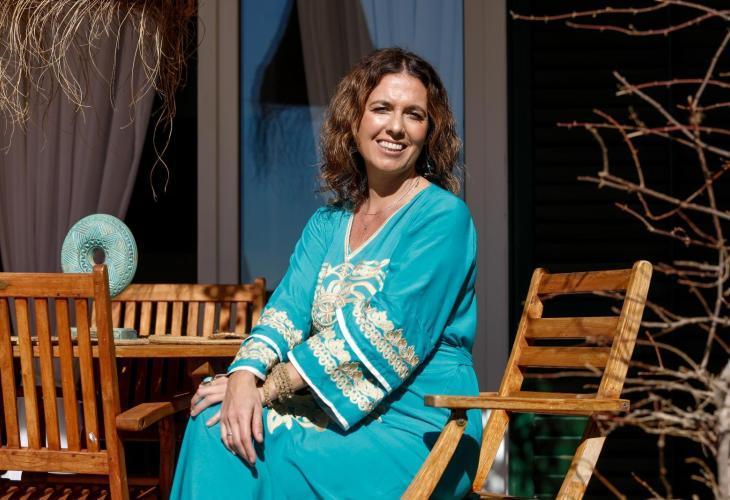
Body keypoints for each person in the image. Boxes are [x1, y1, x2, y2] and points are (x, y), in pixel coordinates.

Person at [171, 47, 481, 499]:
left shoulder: (443, 218)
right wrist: (242, 377)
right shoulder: (328, 223)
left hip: (423, 428)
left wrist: (267, 389)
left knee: (238, 434)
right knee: (214, 420)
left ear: (429, 132)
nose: (396, 127)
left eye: (414, 115)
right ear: (354, 121)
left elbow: (384, 328)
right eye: (382, 108)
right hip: (331, 412)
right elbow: (287, 311)